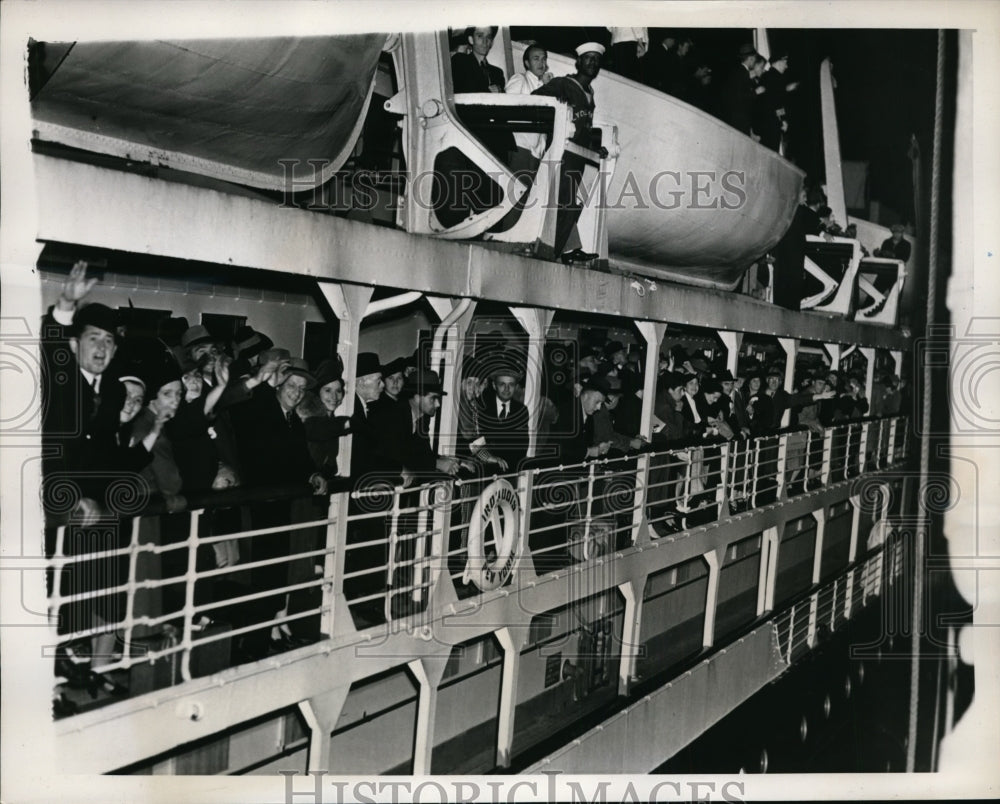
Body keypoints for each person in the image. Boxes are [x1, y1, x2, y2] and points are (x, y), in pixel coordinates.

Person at [532, 42, 609, 263]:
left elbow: (585, 126)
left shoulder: (589, 93)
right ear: (579, 62)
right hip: (564, 154)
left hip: (581, 156)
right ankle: (553, 249)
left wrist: (596, 146)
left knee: (575, 202)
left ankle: (565, 248)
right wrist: (555, 105)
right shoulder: (565, 84)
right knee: (562, 201)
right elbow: (536, 98)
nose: (592, 62)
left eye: (596, 59)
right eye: (588, 58)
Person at [474, 356, 530, 472]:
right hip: (484, 466)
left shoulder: (521, 410)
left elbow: (522, 445)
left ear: (515, 387)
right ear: (494, 386)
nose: (507, 389)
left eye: (511, 384)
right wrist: (492, 459)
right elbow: (475, 440)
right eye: (502, 384)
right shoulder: (481, 406)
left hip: (510, 468)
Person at [506, 44, 553, 164]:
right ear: (527, 63)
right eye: (536, 58)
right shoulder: (520, 79)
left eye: (543, 59)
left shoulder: (544, 85)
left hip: (538, 152)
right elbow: (507, 108)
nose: (541, 63)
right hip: (520, 146)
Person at [719, 43, 759, 135]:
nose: (755, 62)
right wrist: (756, 92)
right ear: (750, 58)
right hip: (741, 120)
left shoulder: (739, 71)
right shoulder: (743, 73)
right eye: (754, 59)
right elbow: (740, 97)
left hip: (736, 119)